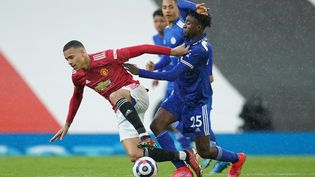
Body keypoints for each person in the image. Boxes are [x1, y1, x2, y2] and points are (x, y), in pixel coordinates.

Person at [124, 7, 246, 177]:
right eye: (185, 22)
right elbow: (180, 5)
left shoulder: (200, 50)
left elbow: (173, 74)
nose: (185, 26)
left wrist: (140, 72)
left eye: (189, 23)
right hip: (179, 97)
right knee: (157, 125)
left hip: (196, 103)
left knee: (204, 151)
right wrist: (195, 7)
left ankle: (237, 158)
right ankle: (181, 168)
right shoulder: (188, 40)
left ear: (198, 28)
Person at [49, 40, 201, 170]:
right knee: (135, 155)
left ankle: (143, 134)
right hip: (122, 109)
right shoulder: (77, 77)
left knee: (114, 94)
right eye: (66, 60)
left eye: (71, 57)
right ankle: (186, 155)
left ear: (82, 52)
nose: (69, 62)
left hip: (136, 93)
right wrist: (67, 124)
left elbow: (142, 48)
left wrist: (173, 51)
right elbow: (76, 97)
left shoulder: (107, 56)